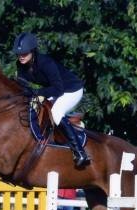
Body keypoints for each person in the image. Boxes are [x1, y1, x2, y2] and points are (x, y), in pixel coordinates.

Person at [13, 32, 90, 167]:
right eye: (19, 54)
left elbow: (58, 89)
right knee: (32, 106)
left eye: (25, 53)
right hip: (55, 90)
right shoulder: (21, 65)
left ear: (32, 51)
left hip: (72, 90)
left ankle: (80, 152)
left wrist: (39, 93)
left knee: (56, 112)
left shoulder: (46, 63)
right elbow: (22, 86)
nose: (21, 56)